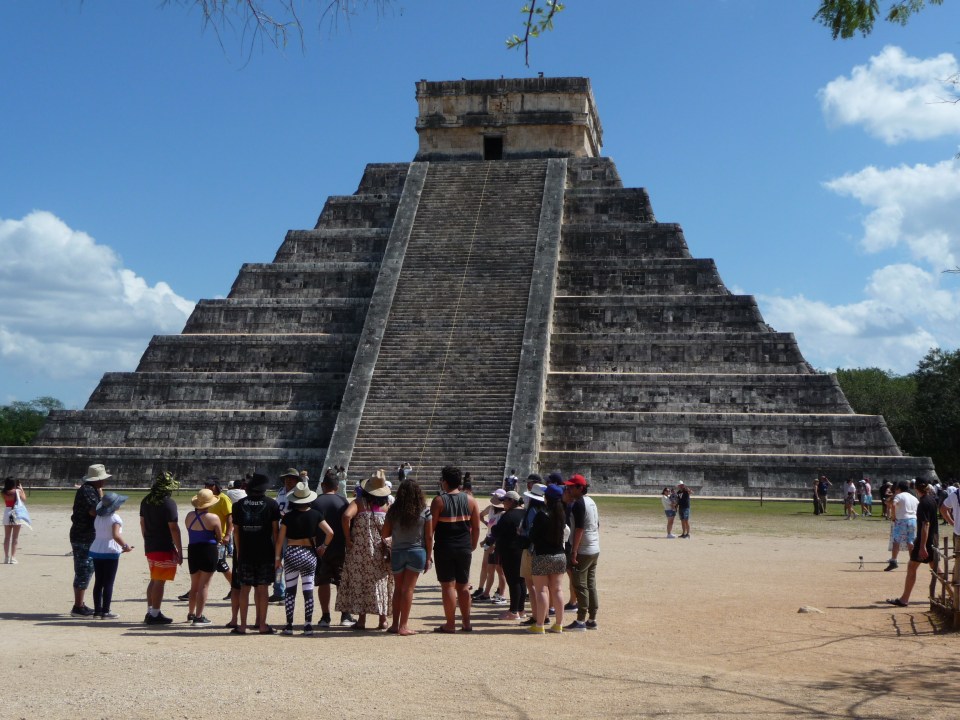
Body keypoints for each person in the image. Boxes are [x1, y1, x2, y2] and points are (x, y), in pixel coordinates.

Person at [337, 471, 393, 631]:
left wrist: (348, 539)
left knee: (361, 582)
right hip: (380, 550)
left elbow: (346, 516)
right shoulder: (387, 505)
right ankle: (383, 620)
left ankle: (361, 620)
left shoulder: (359, 503)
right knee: (380, 582)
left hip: (360, 551)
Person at [276, 482, 334, 635]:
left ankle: (289, 625)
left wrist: (277, 558)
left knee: (290, 590)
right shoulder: (316, 514)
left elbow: (280, 540)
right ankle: (308, 625)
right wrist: (323, 547)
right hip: (309, 553)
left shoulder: (288, 517)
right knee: (308, 590)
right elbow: (330, 533)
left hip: (292, 553)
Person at [430, 465, 481, 634]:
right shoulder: (471, 500)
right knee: (464, 586)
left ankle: (450, 624)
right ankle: (466, 623)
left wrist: (428, 549)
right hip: (464, 546)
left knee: (448, 586)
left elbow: (431, 529)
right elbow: (476, 527)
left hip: (444, 547)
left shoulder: (439, 501)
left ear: (445, 482)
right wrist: (472, 544)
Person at [232, 472, 281, 634]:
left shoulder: (238, 505)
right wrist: (276, 555)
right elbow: (275, 532)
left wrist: (239, 553)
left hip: (245, 551)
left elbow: (236, 532)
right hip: (265, 552)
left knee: (244, 588)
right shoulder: (272, 504)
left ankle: (243, 625)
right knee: (263, 589)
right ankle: (262, 624)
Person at [382, 479, 433, 635]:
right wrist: (429, 556)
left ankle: (395, 624)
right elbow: (429, 536)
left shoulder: (393, 511)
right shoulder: (425, 511)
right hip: (417, 551)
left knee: (398, 589)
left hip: (398, 551)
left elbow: (385, 533)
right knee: (408, 589)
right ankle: (404, 625)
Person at [179, 476, 233, 603]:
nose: (208, 488)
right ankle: (195, 590)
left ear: (216, 486)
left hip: (218, 538)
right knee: (213, 566)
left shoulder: (224, 499)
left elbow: (230, 518)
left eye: (211, 486)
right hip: (206, 536)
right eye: (207, 486)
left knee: (221, 565)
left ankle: (235, 586)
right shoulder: (203, 499)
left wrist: (227, 535)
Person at [887, 478, 939, 607]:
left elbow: (925, 525)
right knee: (936, 568)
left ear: (916, 488)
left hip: (925, 541)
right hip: (932, 538)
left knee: (912, 567)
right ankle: (954, 591)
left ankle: (904, 599)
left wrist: (922, 546)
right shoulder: (930, 499)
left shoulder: (924, 502)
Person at [140, 471, 182, 625]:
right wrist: (180, 551)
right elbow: (174, 528)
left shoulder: (146, 501)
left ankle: (151, 610)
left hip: (151, 545)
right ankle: (155, 613)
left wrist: (147, 540)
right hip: (163, 546)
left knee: (154, 578)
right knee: (159, 581)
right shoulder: (168, 503)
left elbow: (142, 523)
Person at [312, 468, 352, 628]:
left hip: (320, 548)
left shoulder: (315, 502)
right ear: (337, 486)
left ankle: (325, 616)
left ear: (323, 485)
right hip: (340, 547)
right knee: (342, 581)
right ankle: (345, 615)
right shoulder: (343, 501)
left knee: (323, 581)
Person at [69, 464, 109, 616]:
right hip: (83, 535)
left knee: (87, 568)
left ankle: (80, 604)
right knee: (84, 569)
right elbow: (94, 511)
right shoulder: (87, 490)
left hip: (87, 535)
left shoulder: (92, 490)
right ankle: (78, 606)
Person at [528, 484, 568, 634]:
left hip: (543, 554)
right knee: (557, 589)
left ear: (547, 498)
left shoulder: (541, 515)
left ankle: (540, 624)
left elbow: (533, 535)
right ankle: (559, 624)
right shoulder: (561, 514)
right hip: (559, 554)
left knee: (542, 590)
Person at [564, 474, 600, 631]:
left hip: (583, 549)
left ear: (580, 488)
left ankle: (580, 620)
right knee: (590, 584)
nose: (569, 489)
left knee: (580, 584)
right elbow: (597, 525)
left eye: (572, 487)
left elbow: (579, 529)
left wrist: (574, 551)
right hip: (594, 547)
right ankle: (592, 618)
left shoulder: (579, 504)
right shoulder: (591, 502)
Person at [89, 492, 133, 619]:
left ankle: (97, 610)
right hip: (110, 550)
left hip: (97, 548)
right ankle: (106, 611)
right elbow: (116, 535)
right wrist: (126, 546)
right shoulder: (115, 518)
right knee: (108, 582)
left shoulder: (98, 517)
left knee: (99, 581)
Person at [183, 488, 223, 626]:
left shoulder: (189, 516)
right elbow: (219, 536)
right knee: (204, 585)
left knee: (194, 585)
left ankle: (191, 613)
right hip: (208, 550)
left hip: (193, 550)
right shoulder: (213, 518)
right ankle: (199, 616)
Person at [492, 490, 527, 621]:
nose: (503, 503)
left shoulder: (509, 515)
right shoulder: (525, 512)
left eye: (505, 500)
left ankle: (513, 611)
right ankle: (521, 609)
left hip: (510, 551)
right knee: (521, 581)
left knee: (513, 582)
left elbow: (496, 530)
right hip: (522, 550)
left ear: (512, 501)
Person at [270, 468, 301, 604]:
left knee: (289, 564)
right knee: (276, 563)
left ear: (296, 480)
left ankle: (289, 594)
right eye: (286, 478)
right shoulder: (281, 491)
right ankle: (278, 591)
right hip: (278, 530)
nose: (288, 480)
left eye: (291, 478)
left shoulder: (299, 492)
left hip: (291, 532)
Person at [519, 481, 547, 626]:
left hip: (531, 549)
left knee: (532, 586)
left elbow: (528, 531)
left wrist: (521, 532)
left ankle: (536, 616)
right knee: (544, 587)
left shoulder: (532, 511)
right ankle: (544, 614)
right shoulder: (549, 510)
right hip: (545, 549)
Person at [474, 488, 507, 604]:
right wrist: (487, 525)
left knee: (499, 569)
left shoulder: (503, 513)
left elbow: (500, 531)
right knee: (489, 568)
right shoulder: (491, 509)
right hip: (490, 539)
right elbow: (480, 516)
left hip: (497, 541)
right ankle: (486, 592)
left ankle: (499, 592)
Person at [885, 480, 918, 572]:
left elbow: (892, 504)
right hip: (913, 520)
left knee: (896, 541)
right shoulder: (913, 497)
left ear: (899, 489)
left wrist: (893, 516)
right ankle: (912, 560)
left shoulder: (899, 496)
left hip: (901, 519)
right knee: (910, 541)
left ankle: (894, 560)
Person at [3, 477, 27, 564]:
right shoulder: (18, 491)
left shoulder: (4, 492)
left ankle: (6, 557)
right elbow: (24, 499)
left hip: (7, 511)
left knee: (7, 537)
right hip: (16, 512)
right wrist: (21, 489)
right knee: (15, 537)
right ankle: (13, 557)